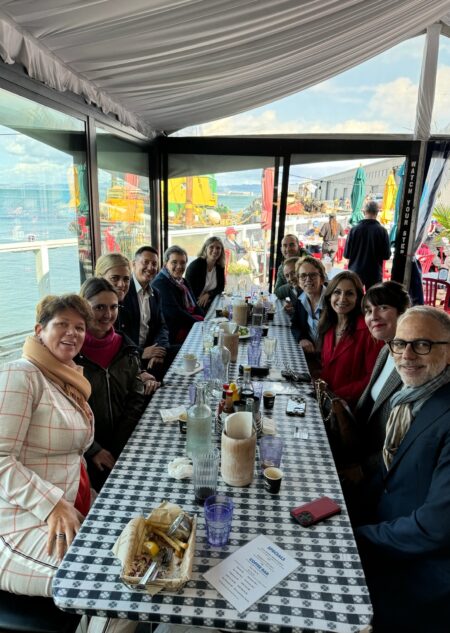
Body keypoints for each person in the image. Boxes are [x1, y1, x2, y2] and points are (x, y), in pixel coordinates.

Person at [355, 307, 450, 633]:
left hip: (421, 574)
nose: (407, 355)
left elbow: (434, 528)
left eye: (423, 344)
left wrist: (358, 538)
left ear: (448, 350)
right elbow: (391, 473)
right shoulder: (410, 399)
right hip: (388, 532)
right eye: (400, 343)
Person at [0, 294, 94, 596]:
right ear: (39, 331)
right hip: (20, 523)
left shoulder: (65, 379)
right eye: (62, 324)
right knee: (106, 583)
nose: (72, 333)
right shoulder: (21, 374)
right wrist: (52, 505)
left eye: (79, 327)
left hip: (67, 509)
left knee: (137, 562)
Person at [78, 278, 151, 491]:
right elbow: (67, 413)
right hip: (87, 453)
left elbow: (136, 397)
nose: (108, 314)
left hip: (124, 443)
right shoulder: (72, 355)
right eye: (99, 307)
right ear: (83, 308)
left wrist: (121, 445)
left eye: (113, 307)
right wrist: (94, 450)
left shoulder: (126, 347)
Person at [355, 281, 411, 473]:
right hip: (360, 451)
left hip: (381, 471)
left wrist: (361, 469)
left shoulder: (411, 364)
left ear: (403, 311)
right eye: (368, 310)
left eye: (383, 307)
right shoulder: (386, 351)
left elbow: (404, 442)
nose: (373, 316)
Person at [318, 271, 384, 410]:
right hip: (325, 400)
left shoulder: (368, 331)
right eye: (337, 292)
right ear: (329, 295)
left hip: (350, 408)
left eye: (349, 293)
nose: (342, 299)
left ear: (359, 298)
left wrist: (336, 395)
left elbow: (372, 377)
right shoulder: (329, 326)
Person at [122, 246, 170, 377]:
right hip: (129, 357)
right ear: (133, 264)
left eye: (154, 264)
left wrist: (160, 351)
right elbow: (119, 335)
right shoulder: (123, 292)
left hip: (151, 351)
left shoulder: (156, 294)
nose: (150, 267)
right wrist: (142, 352)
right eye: (145, 262)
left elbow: (162, 326)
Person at [152, 245, 204, 344]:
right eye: (174, 262)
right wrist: (199, 324)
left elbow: (195, 306)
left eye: (183, 263)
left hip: (186, 321)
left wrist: (206, 320)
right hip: (173, 330)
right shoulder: (160, 283)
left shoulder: (183, 281)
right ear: (165, 264)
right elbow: (175, 313)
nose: (179, 266)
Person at [343, 201, 391, 289]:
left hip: (356, 272)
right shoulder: (382, 231)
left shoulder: (354, 230)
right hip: (374, 273)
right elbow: (386, 256)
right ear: (377, 213)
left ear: (364, 212)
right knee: (373, 301)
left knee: (355, 299)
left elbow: (346, 255)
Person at [95, 252, 133, 334]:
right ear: (99, 278)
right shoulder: (88, 312)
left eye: (126, 279)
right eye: (114, 278)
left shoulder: (126, 309)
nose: (121, 284)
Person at [185, 236, 225, 311]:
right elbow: (188, 291)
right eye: (211, 247)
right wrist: (200, 301)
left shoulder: (220, 266)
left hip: (211, 302)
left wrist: (208, 294)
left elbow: (221, 287)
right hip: (195, 304)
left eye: (218, 248)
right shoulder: (195, 266)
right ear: (205, 249)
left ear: (221, 251)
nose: (215, 250)